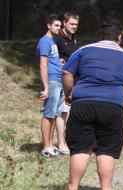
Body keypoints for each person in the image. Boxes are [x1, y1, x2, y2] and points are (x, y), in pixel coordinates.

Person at [63, 19, 123, 190]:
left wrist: (69, 94)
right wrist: (120, 94)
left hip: (83, 104)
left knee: (80, 147)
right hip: (112, 107)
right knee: (107, 149)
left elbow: (67, 73)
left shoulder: (83, 50)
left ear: (99, 37)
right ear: (119, 38)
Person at [36, 14, 66, 157]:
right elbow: (42, 65)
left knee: (55, 114)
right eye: (56, 25)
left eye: (60, 26)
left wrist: (59, 63)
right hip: (52, 81)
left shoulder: (53, 42)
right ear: (49, 25)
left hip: (59, 80)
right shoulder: (44, 42)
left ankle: (51, 144)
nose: (59, 28)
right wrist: (46, 87)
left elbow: (50, 60)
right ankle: (45, 146)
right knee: (48, 114)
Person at [53, 12, 79, 127]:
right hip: (58, 79)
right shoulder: (57, 38)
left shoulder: (74, 38)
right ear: (64, 23)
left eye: (76, 24)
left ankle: (63, 140)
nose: (74, 27)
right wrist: (58, 61)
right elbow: (49, 57)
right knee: (55, 113)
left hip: (71, 79)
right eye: (72, 24)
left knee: (67, 111)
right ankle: (47, 143)